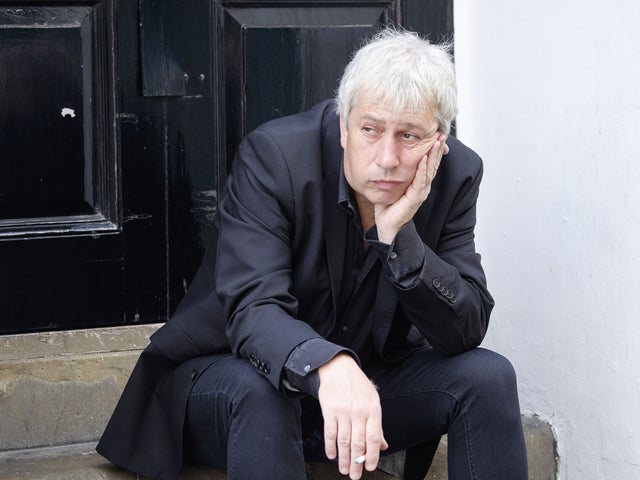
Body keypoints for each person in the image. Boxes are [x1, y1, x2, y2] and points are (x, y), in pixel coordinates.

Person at [98, 28, 528, 480]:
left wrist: (400, 238)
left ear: (438, 142)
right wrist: (328, 364)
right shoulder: (276, 156)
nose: (386, 158)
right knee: (259, 392)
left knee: (487, 376)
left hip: (363, 393)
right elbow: (253, 308)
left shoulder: (457, 174)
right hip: (233, 383)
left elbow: (465, 329)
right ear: (344, 126)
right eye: (370, 129)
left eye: (409, 136)